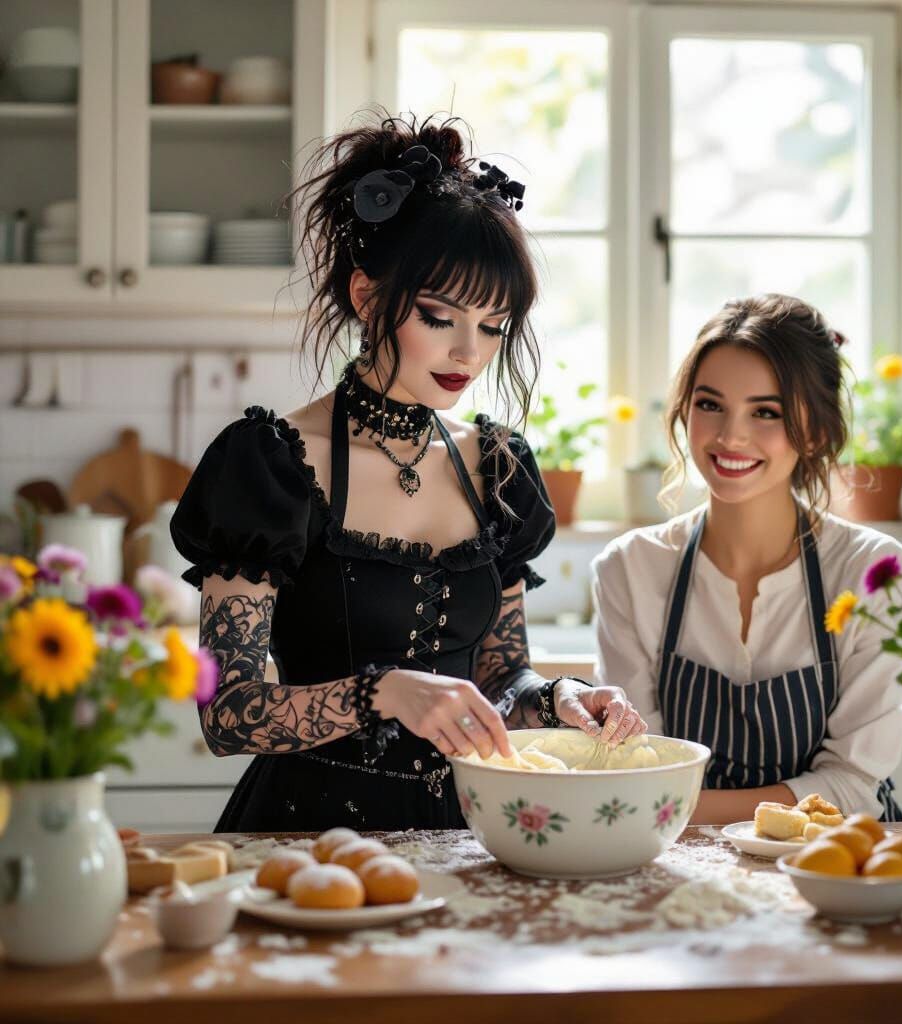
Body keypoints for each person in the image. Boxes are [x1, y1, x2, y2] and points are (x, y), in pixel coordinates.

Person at [170, 115, 645, 833]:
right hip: (307, 839)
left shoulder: (500, 468)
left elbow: (500, 679)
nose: (469, 351)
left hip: (470, 833)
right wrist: (383, 692)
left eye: (494, 325)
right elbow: (229, 715)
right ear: (367, 298)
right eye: (438, 315)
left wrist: (559, 700)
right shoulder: (268, 466)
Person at [591, 294, 902, 824]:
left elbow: (854, 784)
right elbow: (638, 765)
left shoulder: (874, 572)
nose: (730, 436)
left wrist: (669, 805)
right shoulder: (630, 568)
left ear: (812, 430)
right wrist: (651, 801)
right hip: (684, 868)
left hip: (836, 865)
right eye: (709, 404)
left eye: (766, 412)